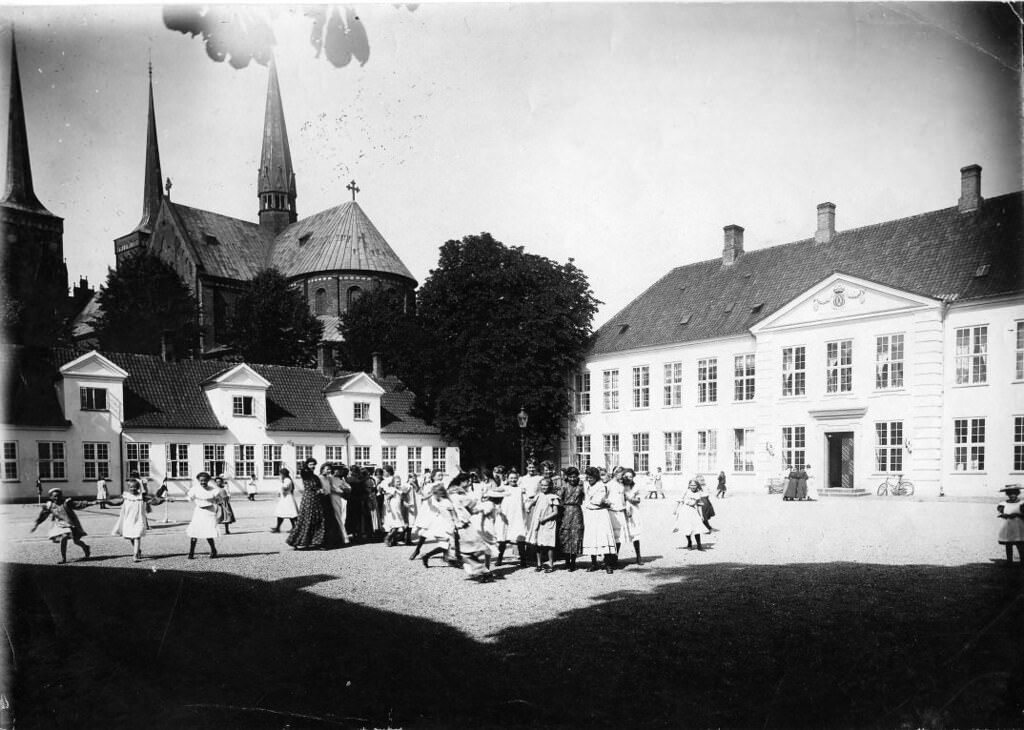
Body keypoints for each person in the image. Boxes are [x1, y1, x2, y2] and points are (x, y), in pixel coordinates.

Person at [30, 488, 96, 563]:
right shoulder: (50, 506)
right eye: (55, 496)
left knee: (76, 541)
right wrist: (36, 525)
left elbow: (79, 504)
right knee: (64, 537)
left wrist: (93, 503)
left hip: (71, 523)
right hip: (60, 524)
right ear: (51, 497)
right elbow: (43, 516)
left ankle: (86, 547)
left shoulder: (66, 503)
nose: (57, 498)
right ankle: (63, 558)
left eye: (58, 496)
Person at [109, 478, 167, 561]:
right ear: (128, 488)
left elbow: (154, 501)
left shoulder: (142, 497)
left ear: (138, 487)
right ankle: (138, 550)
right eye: (131, 487)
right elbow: (115, 502)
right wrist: (105, 501)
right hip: (128, 520)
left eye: (135, 487)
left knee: (137, 536)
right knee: (130, 537)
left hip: (139, 519)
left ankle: (135, 555)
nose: (133, 489)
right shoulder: (126, 496)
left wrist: (164, 500)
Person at [287, 458, 329, 550]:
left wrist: (320, 490)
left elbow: (318, 485)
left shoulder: (315, 476)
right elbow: (310, 485)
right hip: (309, 499)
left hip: (316, 499)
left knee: (318, 519)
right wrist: (318, 490)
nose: (313, 466)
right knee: (307, 520)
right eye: (311, 464)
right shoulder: (305, 474)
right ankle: (297, 541)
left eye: (314, 464)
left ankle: (316, 542)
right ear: (307, 465)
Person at [581, 466, 617, 573]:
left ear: (596, 477)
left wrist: (593, 502)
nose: (589, 479)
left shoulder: (602, 486)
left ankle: (608, 564)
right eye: (588, 477)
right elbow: (587, 502)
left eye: (591, 477)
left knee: (603, 537)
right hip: (591, 514)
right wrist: (591, 503)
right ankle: (593, 563)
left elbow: (598, 501)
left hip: (601, 515)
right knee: (592, 537)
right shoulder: (587, 486)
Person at [525, 477, 560, 572]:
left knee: (549, 544)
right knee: (538, 544)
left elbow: (555, 512)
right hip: (538, 522)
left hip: (548, 522)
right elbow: (533, 502)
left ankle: (551, 564)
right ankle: (539, 564)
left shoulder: (553, 497)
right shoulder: (539, 495)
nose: (544, 487)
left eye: (546, 485)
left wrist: (545, 518)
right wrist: (528, 507)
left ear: (550, 486)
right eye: (542, 485)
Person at [186, 472, 222, 559]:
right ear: (198, 480)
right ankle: (191, 553)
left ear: (208, 480)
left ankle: (213, 550)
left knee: (208, 532)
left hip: (209, 512)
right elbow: (189, 498)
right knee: (194, 532)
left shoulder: (214, 489)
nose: (203, 482)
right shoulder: (195, 489)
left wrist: (217, 502)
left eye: (205, 480)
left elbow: (220, 500)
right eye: (201, 480)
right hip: (199, 512)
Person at [498, 469, 528, 566]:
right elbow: (494, 494)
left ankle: (523, 561)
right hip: (505, 516)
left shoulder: (520, 489)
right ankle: (499, 559)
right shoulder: (504, 488)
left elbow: (525, 501)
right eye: (511, 478)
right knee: (503, 538)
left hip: (517, 516)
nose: (513, 480)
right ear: (507, 479)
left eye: (515, 478)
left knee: (520, 537)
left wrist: (527, 509)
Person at [557, 466, 585, 571]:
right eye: (570, 477)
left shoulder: (581, 486)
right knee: (565, 535)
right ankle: (566, 561)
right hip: (566, 511)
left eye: (574, 477)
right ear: (567, 477)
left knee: (576, 535)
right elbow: (558, 498)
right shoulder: (564, 486)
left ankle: (573, 562)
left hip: (577, 511)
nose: (572, 479)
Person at [605, 468, 632, 566]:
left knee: (619, 537)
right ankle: (609, 559)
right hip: (612, 512)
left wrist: (626, 508)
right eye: (621, 474)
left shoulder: (621, 485)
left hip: (621, 512)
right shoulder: (609, 485)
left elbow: (624, 498)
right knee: (611, 537)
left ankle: (615, 556)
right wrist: (608, 504)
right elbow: (604, 497)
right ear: (615, 474)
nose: (623, 476)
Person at [673, 480, 706, 550]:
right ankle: (689, 542)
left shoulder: (698, 493)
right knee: (687, 527)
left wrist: (701, 515)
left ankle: (699, 544)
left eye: (694, 485)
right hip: (685, 510)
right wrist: (675, 509)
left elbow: (699, 505)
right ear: (689, 485)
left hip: (693, 511)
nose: (693, 487)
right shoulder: (686, 492)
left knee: (697, 527)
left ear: (697, 486)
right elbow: (679, 500)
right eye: (691, 485)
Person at [324, 464, 351, 546]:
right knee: (336, 517)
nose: (337, 471)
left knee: (341, 517)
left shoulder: (340, 479)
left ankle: (342, 537)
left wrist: (345, 489)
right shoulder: (329, 478)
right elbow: (331, 488)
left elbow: (349, 488)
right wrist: (340, 490)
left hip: (339, 499)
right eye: (336, 470)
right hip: (332, 498)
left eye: (339, 470)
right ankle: (339, 537)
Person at [622, 469, 644, 566]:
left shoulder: (635, 487)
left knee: (635, 533)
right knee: (620, 533)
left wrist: (629, 498)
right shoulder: (620, 486)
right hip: (622, 510)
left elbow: (638, 500)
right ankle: (614, 557)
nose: (628, 479)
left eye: (630, 477)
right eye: (626, 476)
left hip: (633, 511)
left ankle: (638, 556)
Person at [997, 485, 1023, 566]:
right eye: (1010, 493)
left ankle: (1022, 561)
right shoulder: (1003, 504)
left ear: (1017, 494)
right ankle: (1009, 561)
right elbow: (1001, 513)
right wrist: (1004, 515)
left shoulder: (1022, 504)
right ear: (1007, 494)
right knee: (1008, 544)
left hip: (1019, 527)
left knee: (1020, 544)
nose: (1012, 495)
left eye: (1014, 493)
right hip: (1008, 527)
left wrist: (1016, 515)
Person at [381, 465, 406, 547]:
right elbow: (387, 499)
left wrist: (405, 504)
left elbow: (401, 499)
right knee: (396, 524)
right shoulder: (392, 489)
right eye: (397, 482)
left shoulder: (398, 490)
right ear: (393, 483)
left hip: (397, 509)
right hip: (393, 509)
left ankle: (394, 540)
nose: (399, 483)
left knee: (397, 524)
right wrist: (388, 507)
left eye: (399, 482)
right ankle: (388, 538)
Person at [272, 467, 299, 533]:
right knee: (281, 513)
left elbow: (285, 488)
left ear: (283, 474)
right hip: (285, 498)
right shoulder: (287, 479)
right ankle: (278, 527)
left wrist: (281, 486)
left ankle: (295, 527)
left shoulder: (287, 480)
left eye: (280, 474)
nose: (280, 475)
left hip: (287, 498)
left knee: (291, 513)